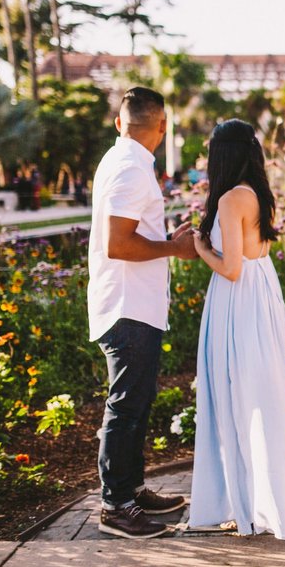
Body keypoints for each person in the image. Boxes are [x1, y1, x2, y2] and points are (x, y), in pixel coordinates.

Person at [88, 86, 198, 539]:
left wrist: (166, 236)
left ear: (120, 123)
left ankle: (131, 490)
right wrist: (174, 247)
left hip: (134, 304)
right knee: (126, 407)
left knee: (136, 403)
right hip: (128, 306)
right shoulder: (132, 169)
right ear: (163, 126)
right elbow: (119, 244)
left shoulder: (125, 162)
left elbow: (131, 232)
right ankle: (117, 506)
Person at [187, 119, 285, 540]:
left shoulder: (232, 199)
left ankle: (245, 509)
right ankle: (258, 504)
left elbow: (231, 269)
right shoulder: (260, 195)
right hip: (263, 295)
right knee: (260, 400)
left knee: (234, 400)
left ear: (221, 155)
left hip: (238, 304)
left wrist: (199, 249)